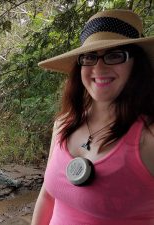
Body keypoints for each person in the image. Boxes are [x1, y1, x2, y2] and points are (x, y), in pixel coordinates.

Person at [31, 9, 154, 225]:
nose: (99, 67)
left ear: (137, 64)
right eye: (89, 57)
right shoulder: (63, 124)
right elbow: (47, 197)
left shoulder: (149, 137)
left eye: (115, 55)